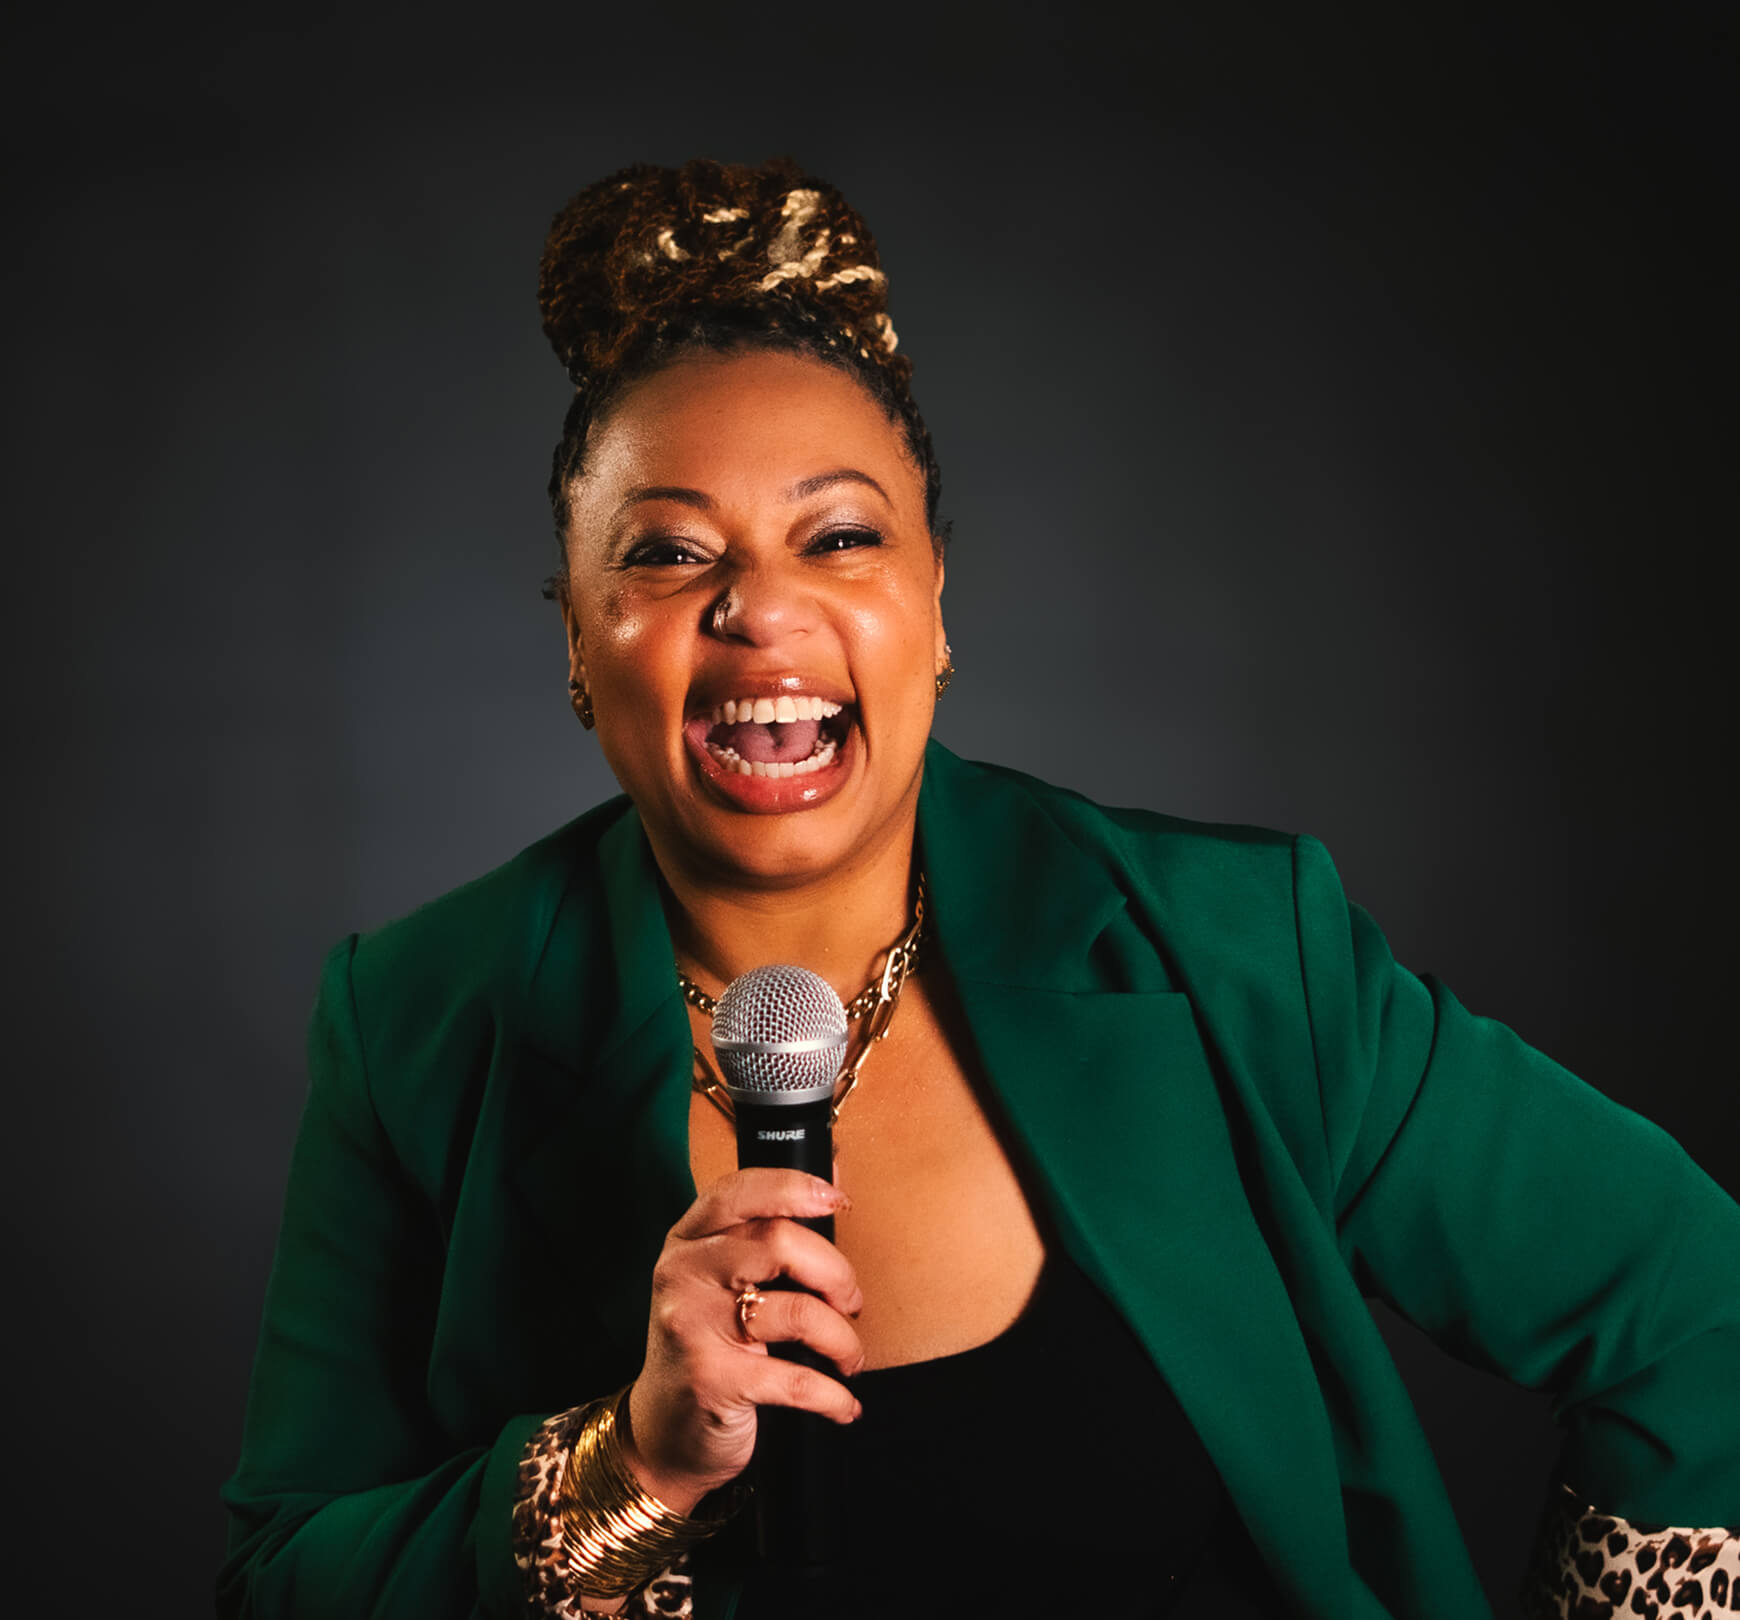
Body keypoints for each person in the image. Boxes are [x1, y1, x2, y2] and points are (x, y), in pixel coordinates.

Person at [219, 157, 1740, 1620]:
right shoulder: (418, 1021)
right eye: (671, 554)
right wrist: (630, 1470)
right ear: (575, 643)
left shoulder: (1230, 949)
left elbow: (1693, 1310)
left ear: (935, 605)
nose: (760, 606)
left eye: (841, 535)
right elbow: (281, 1580)